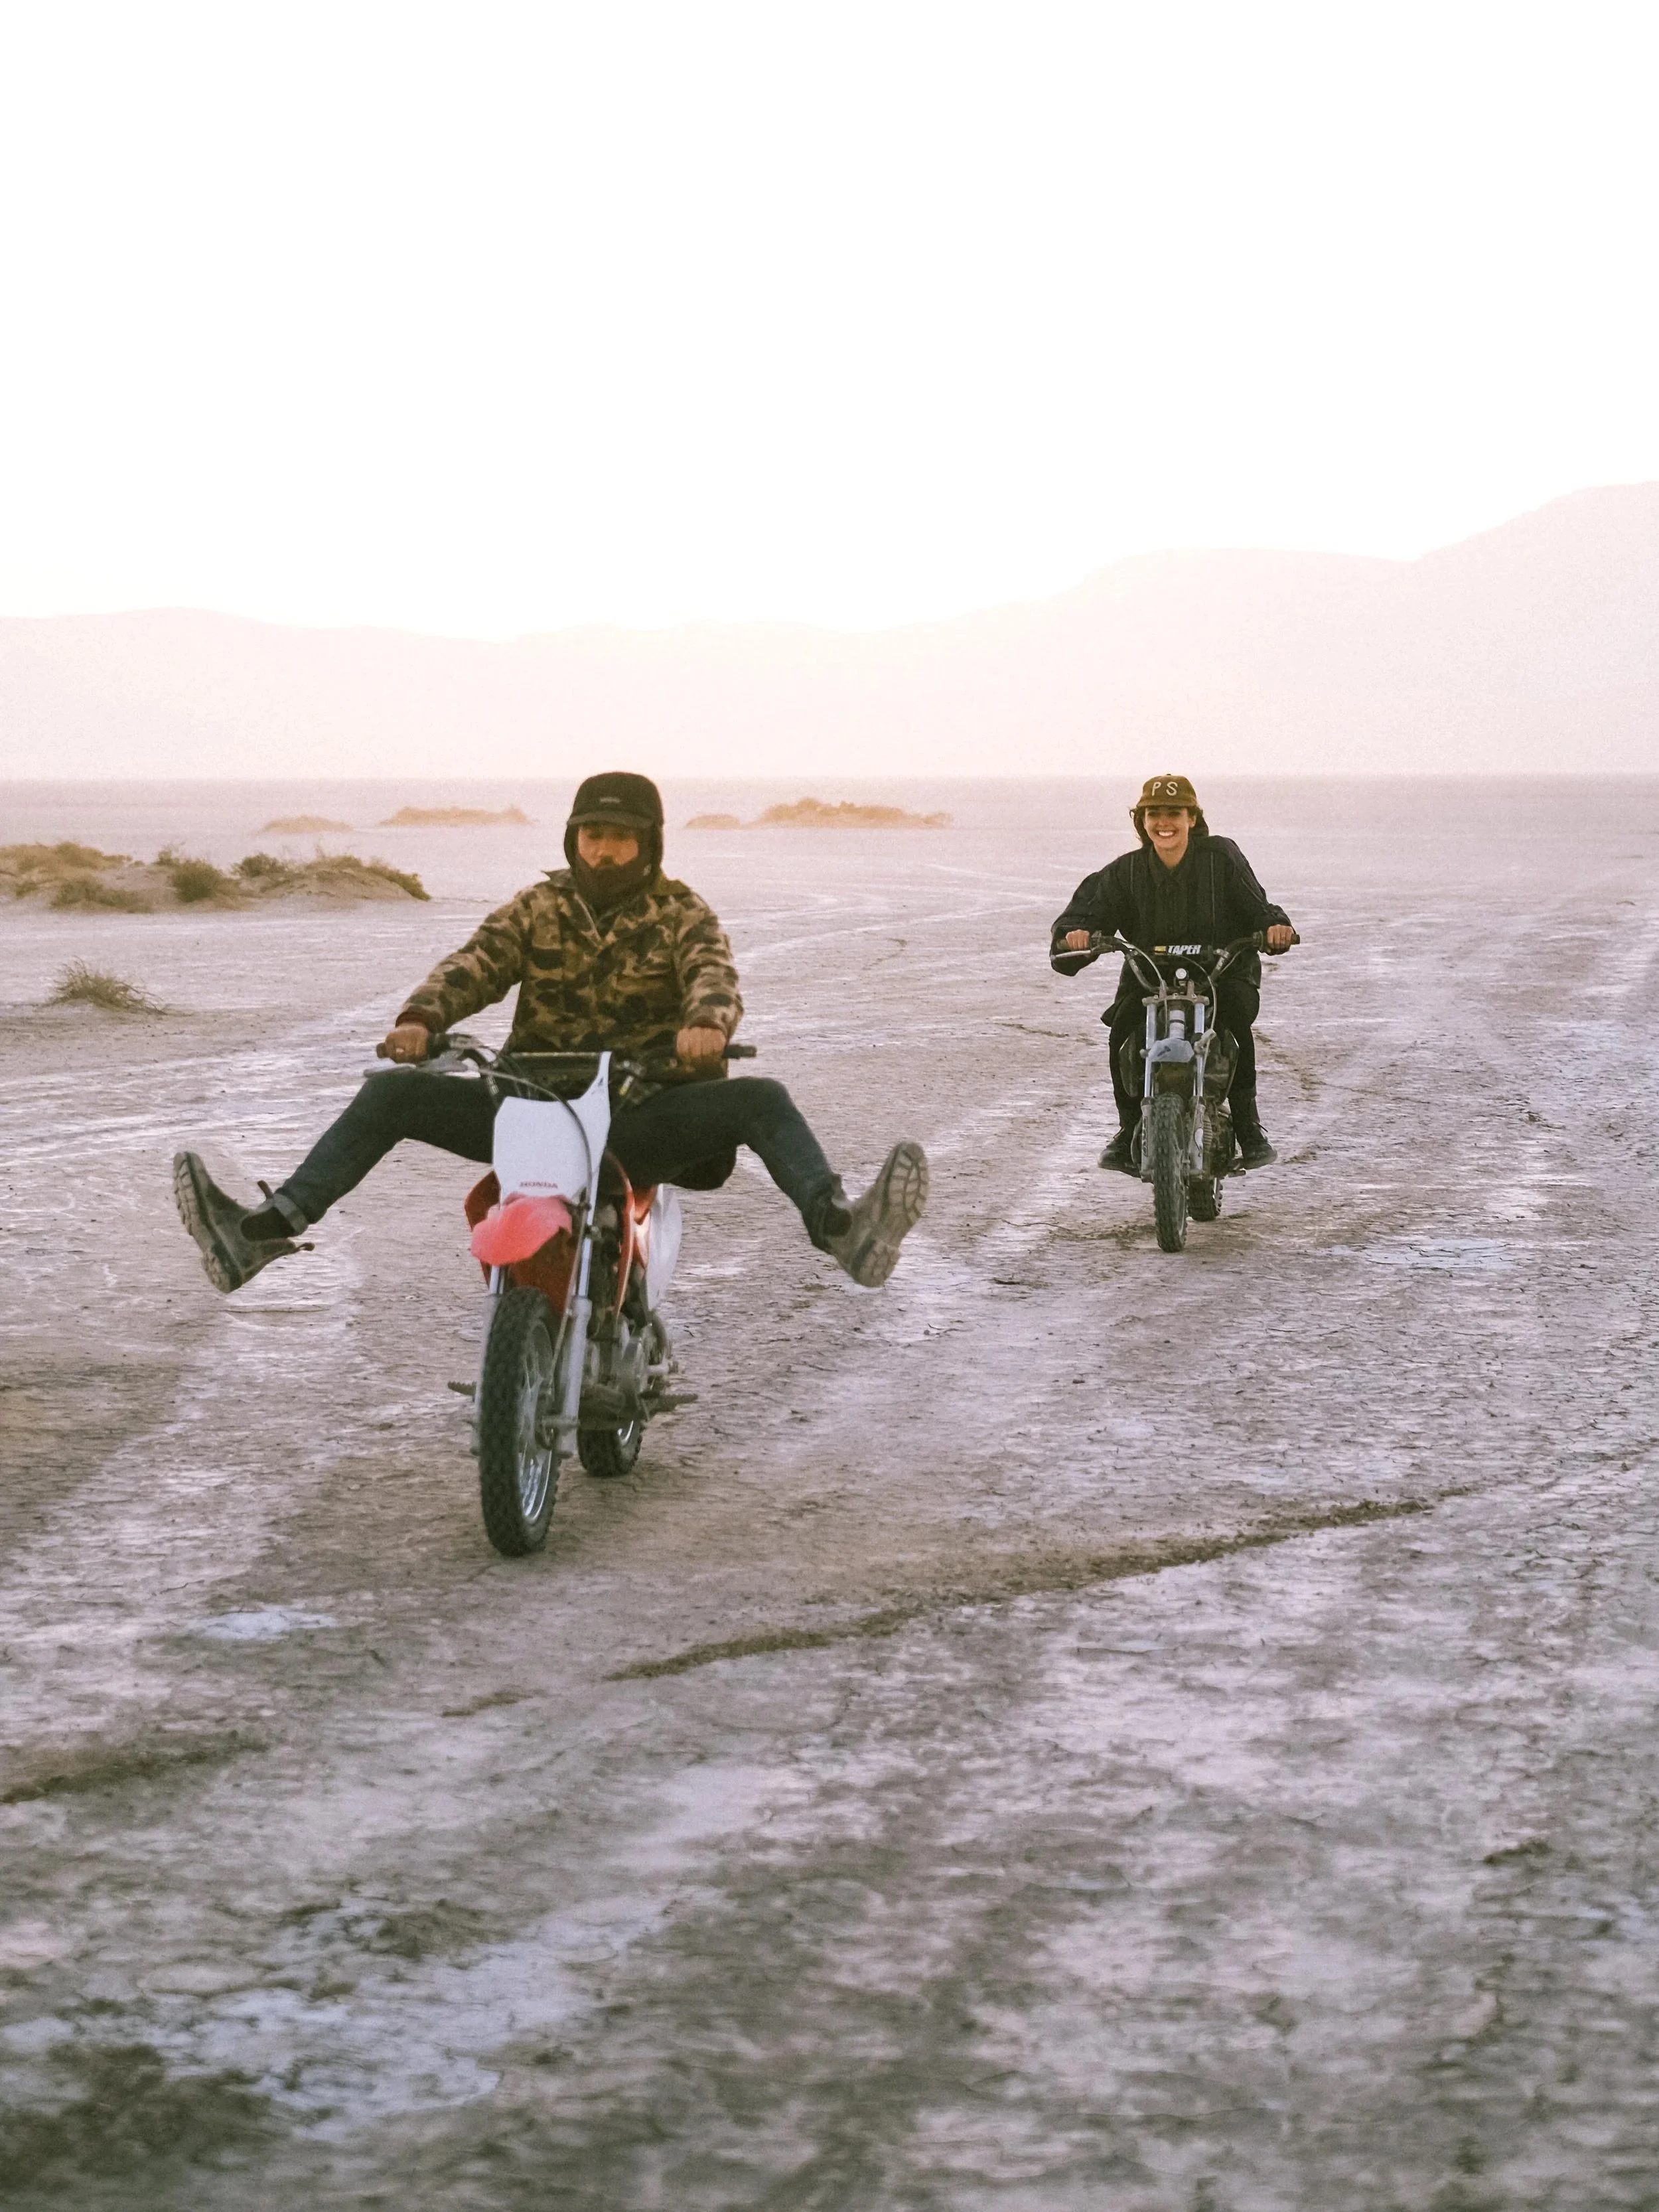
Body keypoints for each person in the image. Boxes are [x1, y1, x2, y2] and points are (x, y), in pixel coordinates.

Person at [175, 771, 928, 1293]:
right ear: (573, 838)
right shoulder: (539, 907)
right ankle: (263, 1231)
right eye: (592, 834)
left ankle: (840, 1227)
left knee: (763, 1097)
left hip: (640, 1112)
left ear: (649, 844)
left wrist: (706, 1026)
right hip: (531, 1104)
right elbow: (475, 962)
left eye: (620, 838)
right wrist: (421, 1018)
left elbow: (712, 974)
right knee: (391, 1096)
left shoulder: (680, 913)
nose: (603, 850)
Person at [1049, 773, 1296, 1172]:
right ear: (1142, 821)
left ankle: (1249, 1127)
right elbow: (1083, 917)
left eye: (1174, 813)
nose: (1164, 822)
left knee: (1232, 1019)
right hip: (1151, 977)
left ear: (1192, 818)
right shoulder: (1124, 872)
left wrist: (1274, 929)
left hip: (1222, 970)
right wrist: (1074, 938)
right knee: (1123, 1029)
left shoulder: (1222, 857)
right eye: (1154, 814)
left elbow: (1258, 905)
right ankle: (1129, 1128)